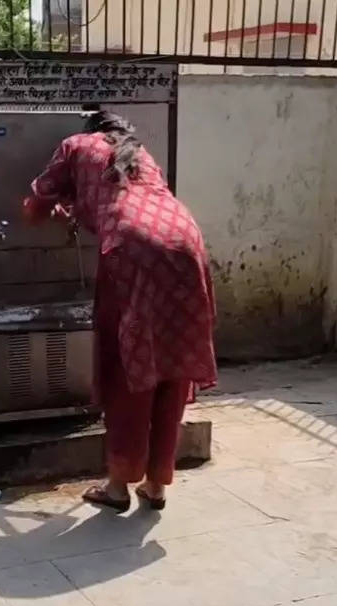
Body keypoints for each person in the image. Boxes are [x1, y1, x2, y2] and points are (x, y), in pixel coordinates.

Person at [22, 110, 217, 513]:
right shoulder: (140, 155)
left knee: (127, 367)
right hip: (186, 243)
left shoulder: (76, 145)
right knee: (171, 363)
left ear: (90, 130)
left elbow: (37, 202)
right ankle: (157, 485)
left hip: (132, 250)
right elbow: (123, 199)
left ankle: (116, 487)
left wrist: (35, 212)